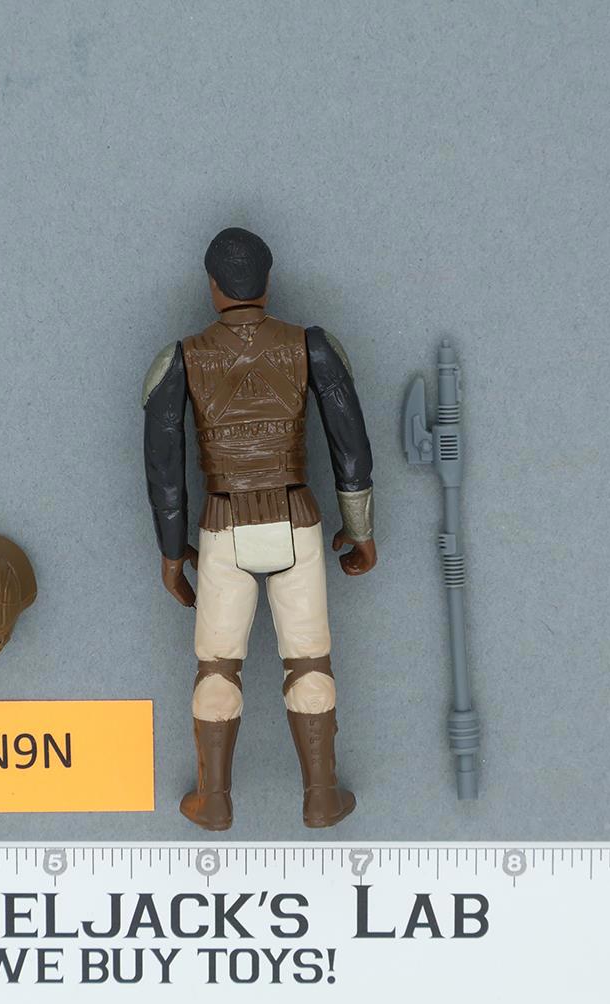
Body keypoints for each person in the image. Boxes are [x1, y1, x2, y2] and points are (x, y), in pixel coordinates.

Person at [142, 227, 377, 829]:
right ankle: (321, 796)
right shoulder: (312, 346)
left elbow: (165, 469)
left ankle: (214, 799)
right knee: (310, 661)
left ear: (212, 285)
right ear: (268, 281)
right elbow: (350, 445)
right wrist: (360, 529)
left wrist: (172, 553)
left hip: (223, 527)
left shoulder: (180, 359)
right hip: (296, 523)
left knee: (218, 666)